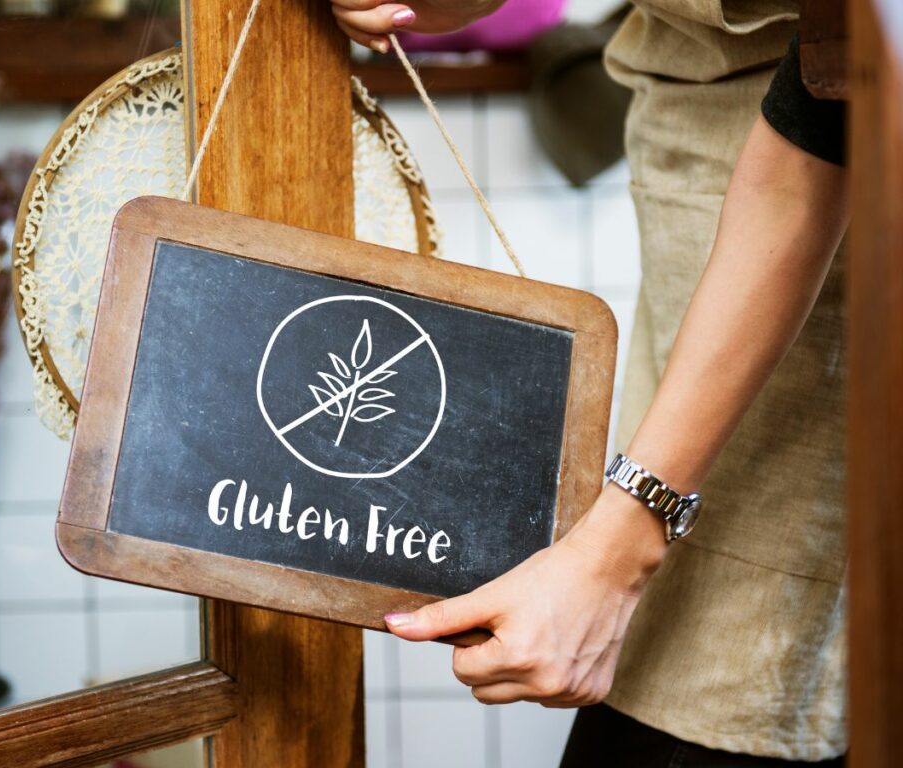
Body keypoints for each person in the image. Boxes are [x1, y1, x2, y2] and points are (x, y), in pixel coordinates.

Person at [329, 1, 848, 765]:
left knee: (736, 680)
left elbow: (816, 142)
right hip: (707, 199)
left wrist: (618, 551)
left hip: (825, 230)